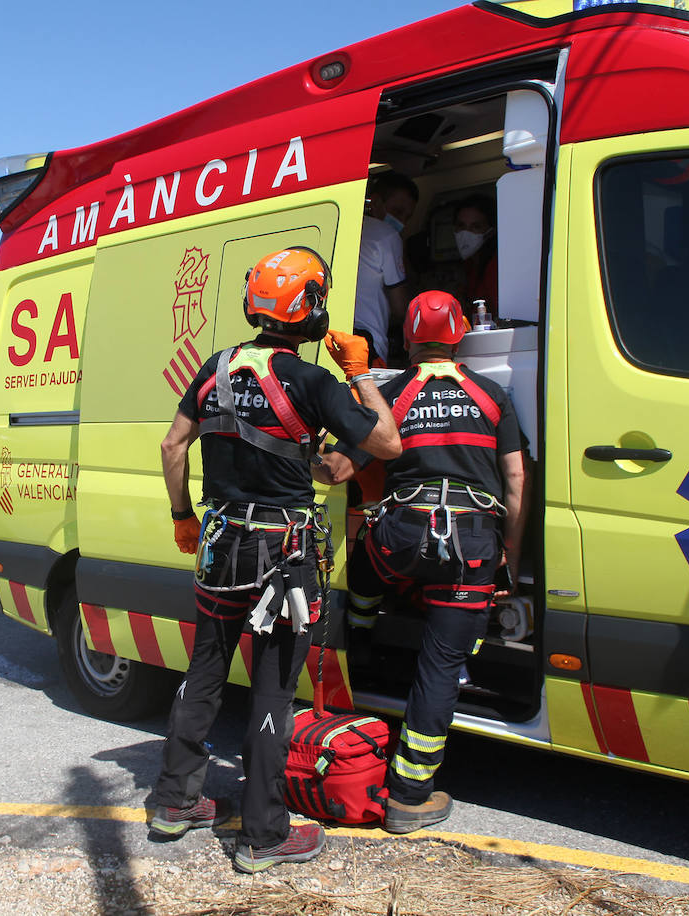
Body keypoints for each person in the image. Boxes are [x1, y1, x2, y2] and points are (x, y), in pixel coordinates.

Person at [149, 247, 402, 874]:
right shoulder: (312, 381)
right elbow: (387, 441)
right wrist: (361, 372)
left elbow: (173, 444)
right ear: (310, 308)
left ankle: (174, 801)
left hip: (220, 543)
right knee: (272, 688)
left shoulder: (217, 367)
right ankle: (263, 834)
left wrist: (183, 515)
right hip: (281, 557)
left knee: (207, 670)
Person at [324, 290, 525, 834]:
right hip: (471, 551)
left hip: (400, 541)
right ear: (460, 333)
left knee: (365, 566)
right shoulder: (493, 395)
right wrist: (510, 557)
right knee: (439, 666)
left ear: (409, 339)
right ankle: (412, 793)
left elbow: (337, 471)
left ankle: (360, 634)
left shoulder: (390, 394)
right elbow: (515, 481)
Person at [354, 173, 419, 368]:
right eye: (397, 211)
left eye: (407, 217)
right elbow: (400, 308)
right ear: (375, 201)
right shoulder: (387, 236)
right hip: (368, 346)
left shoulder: (344, 226)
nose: (401, 221)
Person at [453, 195, 498, 322]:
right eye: (461, 226)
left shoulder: (495, 267)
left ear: (490, 231)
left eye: (475, 227)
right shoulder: (469, 266)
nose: (466, 233)